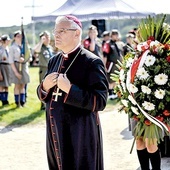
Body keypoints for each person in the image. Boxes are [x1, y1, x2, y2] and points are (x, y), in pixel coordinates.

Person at [37, 15, 108, 170]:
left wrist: (70, 89)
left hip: (80, 134)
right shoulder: (53, 61)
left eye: (62, 30)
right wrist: (44, 86)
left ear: (76, 33)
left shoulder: (91, 61)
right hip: (55, 130)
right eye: (55, 30)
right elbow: (42, 94)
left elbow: (100, 101)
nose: (56, 34)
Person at [9, 30, 30, 107]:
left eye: (21, 36)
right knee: (17, 85)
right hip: (16, 66)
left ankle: (22, 101)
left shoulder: (24, 46)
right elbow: (11, 61)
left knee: (23, 85)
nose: (20, 38)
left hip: (24, 66)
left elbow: (29, 57)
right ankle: (17, 102)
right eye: (18, 36)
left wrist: (24, 59)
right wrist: (16, 73)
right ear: (14, 38)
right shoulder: (12, 47)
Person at [34, 30, 54, 110]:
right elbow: (36, 50)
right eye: (46, 37)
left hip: (51, 68)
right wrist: (41, 41)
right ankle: (43, 105)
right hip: (44, 68)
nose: (48, 39)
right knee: (44, 86)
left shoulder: (50, 47)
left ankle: (49, 103)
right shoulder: (41, 47)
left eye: (49, 37)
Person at [102, 29, 123, 100]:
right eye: (114, 34)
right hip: (111, 64)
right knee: (110, 80)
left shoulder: (117, 44)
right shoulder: (108, 44)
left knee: (115, 80)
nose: (116, 36)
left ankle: (114, 93)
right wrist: (104, 66)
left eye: (117, 34)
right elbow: (105, 55)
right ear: (111, 35)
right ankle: (110, 94)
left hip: (117, 65)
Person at [0, 34, 12, 106]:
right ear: (4, 41)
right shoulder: (0, 50)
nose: (9, 41)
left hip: (8, 67)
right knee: (1, 85)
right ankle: (2, 100)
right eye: (7, 40)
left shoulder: (8, 48)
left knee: (7, 84)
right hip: (2, 67)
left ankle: (6, 99)